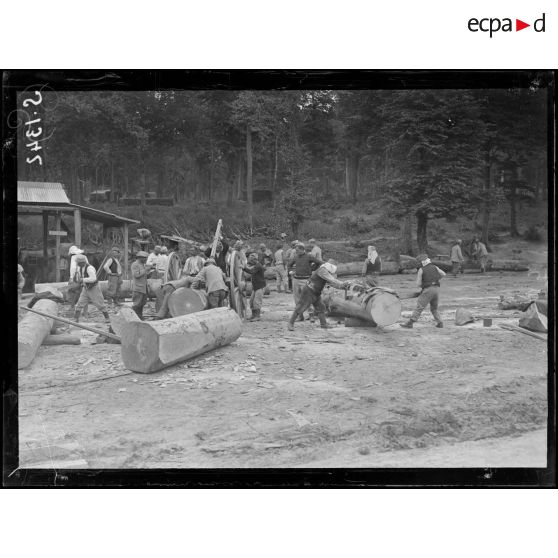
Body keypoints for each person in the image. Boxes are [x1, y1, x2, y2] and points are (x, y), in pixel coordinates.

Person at [287, 260, 350, 331]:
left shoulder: (325, 271)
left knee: (321, 308)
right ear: (330, 267)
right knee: (301, 307)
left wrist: (342, 286)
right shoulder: (322, 271)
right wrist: (342, 283)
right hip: (309, 291)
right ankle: (290, 323)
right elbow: (332, 280)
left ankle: (323, 325)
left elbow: (332, 283)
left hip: (316, 292)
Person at [400, 254, 446, 329]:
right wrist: (435, 280)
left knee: (419, 307)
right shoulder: (435, 267)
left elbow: (418, 284)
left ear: (422, 262)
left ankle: (410, 323)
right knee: (434, 308)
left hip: (428, 290)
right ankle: (440, 322)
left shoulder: (421, 269)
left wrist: (425, 285)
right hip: (436, 289)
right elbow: (443, 274)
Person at [287, 242, 322, 321]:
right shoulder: (296, 257)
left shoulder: (309, 256)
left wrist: (313, 269)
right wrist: (290, 271)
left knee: (307, 298)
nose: (296, 252)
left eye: (297, 250)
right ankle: (300, 316)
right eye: (296, 250)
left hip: (306, 279)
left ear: (302, 249)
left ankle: (311, 315)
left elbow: (319, 262)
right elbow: (289, 265)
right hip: (296, 279)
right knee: (297, 298)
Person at [73, 254, 110, 323]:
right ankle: (75, 319)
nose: (77, 264)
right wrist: (78, 279)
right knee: (80, 303)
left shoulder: (89, 268)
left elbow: (93, 278)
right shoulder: (80, 268)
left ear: (82, 262)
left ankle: (107, 318)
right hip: (86, 288)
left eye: (78, 262)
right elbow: (81, 279)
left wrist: (83, 280)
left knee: (99, 303)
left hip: (94, 288)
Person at [243, 252, 266, 321]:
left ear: (254, 260)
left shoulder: (258, 266)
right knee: (251, 301)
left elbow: (251, 271)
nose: (250, 262)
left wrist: (243, 268)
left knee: (257, 301)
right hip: (255, 286)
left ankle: (257, 316)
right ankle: (253, 315)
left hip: (260, 286)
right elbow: (250, 269)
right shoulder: (256, 265)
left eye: (251, 261)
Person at [131, 251, 153, 319]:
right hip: (138, 288)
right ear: (140, 258)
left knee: (142, 303)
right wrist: (145, 270)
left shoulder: (142, 265)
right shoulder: (135, 264)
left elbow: (143, 275)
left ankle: (140, 316)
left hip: (144, 287)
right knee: (137, 303)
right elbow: (136, 275)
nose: (146, 260)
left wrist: (149, 272)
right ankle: (134, 318)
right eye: (145, 258)